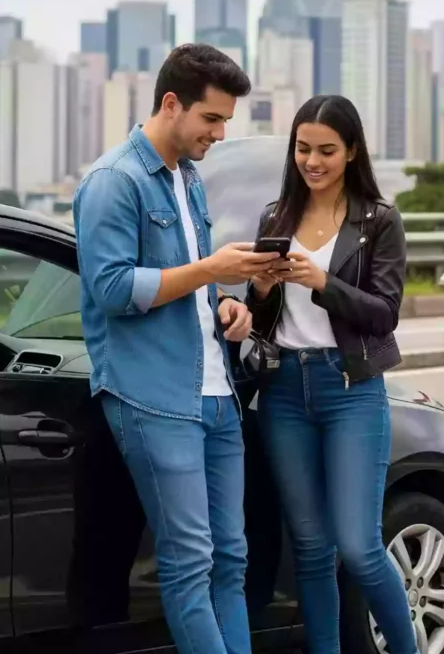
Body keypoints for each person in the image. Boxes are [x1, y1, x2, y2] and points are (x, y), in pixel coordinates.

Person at [73, 43, 283, 654]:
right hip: (154, 397)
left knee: (231, 559)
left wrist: (224, 304)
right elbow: (113, 289)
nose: (219, 133)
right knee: (190, 562)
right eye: (211, 118)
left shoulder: (188, 178)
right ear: (171, 103)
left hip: (218, 396)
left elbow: (188, 281)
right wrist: (211, 269)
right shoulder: (113, 182)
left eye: (225, 121)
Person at [245, 95, 419, 654]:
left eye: (326, 150)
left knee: (360, 548)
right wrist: (260, 290)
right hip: (284, 392)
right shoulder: (275, 217)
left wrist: (323, 282)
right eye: (303, 149)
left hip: (350, 390)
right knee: (311, 548)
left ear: (351, 152)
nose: (312, 161)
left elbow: (384, 314)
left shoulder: (379, 221)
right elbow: (263, 320)